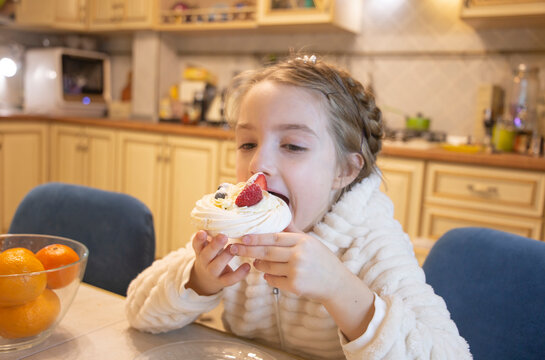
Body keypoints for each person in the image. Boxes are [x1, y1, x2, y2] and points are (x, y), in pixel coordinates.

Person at [125, 54, 471, 359]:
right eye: (247, 143)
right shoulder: (236, 233)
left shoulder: (371, 243)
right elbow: (138, 311)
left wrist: (339, 288)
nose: (259, 164)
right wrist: (199, 279)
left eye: (292, 145)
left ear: (345, 170)